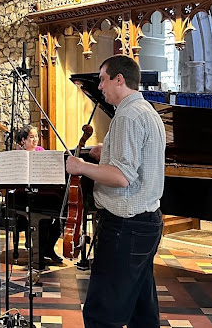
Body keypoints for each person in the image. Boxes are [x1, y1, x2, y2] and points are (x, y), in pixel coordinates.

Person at [66, 55, 165, 327]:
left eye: (102, 80)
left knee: (102, 314)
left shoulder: (127, 116)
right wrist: (105, 152)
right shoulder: (146, 111)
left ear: (119, 79)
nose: (100, 87)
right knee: (141, 312)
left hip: (125, 226)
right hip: (146, 223)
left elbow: (121, 177)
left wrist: (81, 166)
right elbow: (136, 161)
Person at [12, 124, 63, 266]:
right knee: (43, 221)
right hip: (24, 194)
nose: (35, 140)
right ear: (23, 140)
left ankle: (48, 248)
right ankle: (38, 257)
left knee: (60, 218)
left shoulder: (41, 151)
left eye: (36, 137)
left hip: (42, 192)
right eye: (32, 137)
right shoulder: (18, 156)